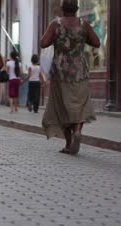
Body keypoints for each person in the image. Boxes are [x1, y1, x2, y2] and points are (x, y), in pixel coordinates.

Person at [40, 0, 100, 155]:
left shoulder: (56, 24)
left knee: (62, 106)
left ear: (62, 9)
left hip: (61, 71)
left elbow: (43, 43)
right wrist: (81, 38)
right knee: (80, 103)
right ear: (77, 9)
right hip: (80, 70)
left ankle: (68, 143)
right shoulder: (84, 24)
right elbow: (96, 42)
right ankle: (78, 131)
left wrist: (57, 38)